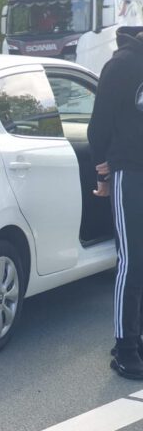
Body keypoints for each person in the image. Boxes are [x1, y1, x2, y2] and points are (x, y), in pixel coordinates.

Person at [88, 27, 143, 380]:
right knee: (133, 261)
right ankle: (125, 348)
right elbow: (98, 127)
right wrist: (103, 174)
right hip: (130, 172)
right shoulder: (122, 65)